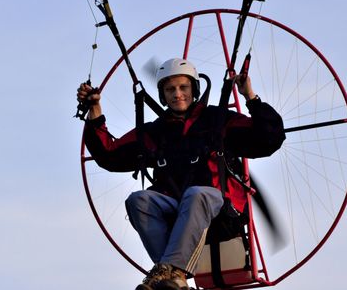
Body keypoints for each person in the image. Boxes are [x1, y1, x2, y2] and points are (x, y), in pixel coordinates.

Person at [77, 58, 285, 290]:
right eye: (170, 89)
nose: (177, 94)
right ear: (162, 95)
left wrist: (250, 97)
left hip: (219, 210)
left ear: (194, 89)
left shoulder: (217, 120)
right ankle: (172, 276)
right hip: (175, 209)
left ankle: (168, 272)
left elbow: (269, 138)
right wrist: (94, 110)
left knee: (196, 194)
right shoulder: (155, 132)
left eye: (183, 87)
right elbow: (109, 155)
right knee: (139, 200)